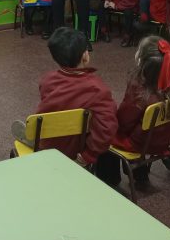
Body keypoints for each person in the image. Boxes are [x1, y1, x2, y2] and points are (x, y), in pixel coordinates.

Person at [11, 27, 117, 167]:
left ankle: (33, 137)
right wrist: (87, 156)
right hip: (75, 149)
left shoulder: (47, 81)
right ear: (85, 56)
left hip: (47, 144)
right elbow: (107, 128)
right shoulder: (98, 89)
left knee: (39, 127)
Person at [96, 35, 170, 188]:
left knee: (104, 133)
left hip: (139, 144)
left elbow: (123, 122)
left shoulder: (139, 91)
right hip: (165, 141)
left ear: (142, 61)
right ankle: (140, 175)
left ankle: (109, 181)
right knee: (142, 128)